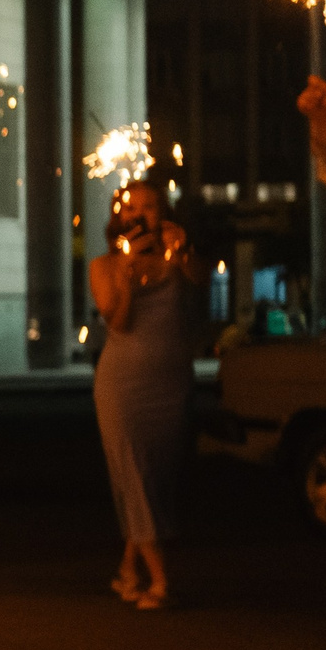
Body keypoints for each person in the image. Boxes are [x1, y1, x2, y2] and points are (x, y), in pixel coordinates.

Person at [87, 181, 207, 609]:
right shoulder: (104, 265)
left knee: (155, 480)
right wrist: (127, 274)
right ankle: (159, 581)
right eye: (132, 208)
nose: (140, 215)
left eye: (150, 207)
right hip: (123, 389)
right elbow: (118, 323)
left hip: (171, 383)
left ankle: (126, 569)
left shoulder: (177, 258)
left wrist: (185, 249)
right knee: (134, 477)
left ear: (163, 212)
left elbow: (201, 283)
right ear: (120, 216)